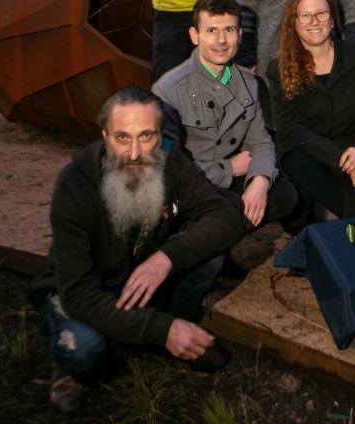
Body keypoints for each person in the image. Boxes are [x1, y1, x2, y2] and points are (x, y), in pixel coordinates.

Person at [27, 87, 243, 412]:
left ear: (160, 136)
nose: (134, 152)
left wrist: (167, 257)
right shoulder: (74, 185)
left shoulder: (171, 162)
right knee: (85, 349)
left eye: (147, 136)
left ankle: (152, 336)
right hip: (83, 295)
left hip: (139, 283)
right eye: (122, 138)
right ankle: (72, 358)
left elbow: (226, 216)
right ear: (105, 135)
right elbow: (79, 294)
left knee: (210, 256)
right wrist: (161, 328)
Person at [153, 0, 298, 231]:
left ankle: (223, 237)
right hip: (191, 184)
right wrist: (228, 168)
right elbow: (167, 167)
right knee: (224, 214)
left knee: (283, 195)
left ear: (240, 35)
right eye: (211, 30)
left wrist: (260, 180)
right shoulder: (168, 91)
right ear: (194, 36)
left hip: (229, 179)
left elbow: (260, 142)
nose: (221, 40)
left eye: (229, 30)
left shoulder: (248, 82)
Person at [266, 0, 355, 223]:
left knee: (354, 190)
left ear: (332, 20)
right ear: (294, 23)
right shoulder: (279, 69)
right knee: (297, 162)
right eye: (305, 15)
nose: (314, 21)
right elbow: (289, 130)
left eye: (321, 13)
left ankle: (346, 225)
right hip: (311, 154)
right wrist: (340, 157)